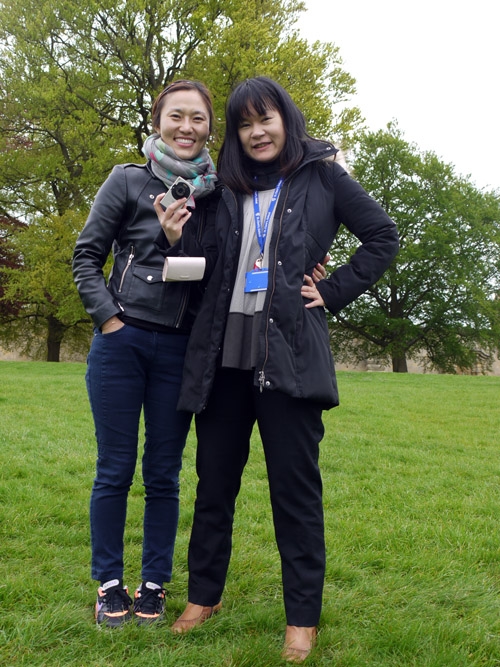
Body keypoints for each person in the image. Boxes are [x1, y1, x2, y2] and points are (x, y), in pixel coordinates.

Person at [166, 77, 399, 662]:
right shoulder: (223, 189)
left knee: (294, 492)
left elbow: (382, 236)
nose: (256, 132)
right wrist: (176, 239)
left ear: (286, 121)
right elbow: (199, 271)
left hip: (290, 358)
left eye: (265, 119)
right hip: (224, 360)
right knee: (214, 484)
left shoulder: (323, 177)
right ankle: (202, 597)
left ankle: (302, 619)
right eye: (244, 125)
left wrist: (333, 290)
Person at [72, 80, 218, 627]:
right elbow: (86, 256)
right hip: (121, 341)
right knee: (114, 467)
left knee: (163, 473)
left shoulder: (215, 195)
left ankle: (154, 582)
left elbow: (215, 273)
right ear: (157, 121)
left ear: (209, 128)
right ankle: (109, 581)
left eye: (198, 118)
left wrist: (177, 240)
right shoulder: (128, 180)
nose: (186, 127)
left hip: (179, 348)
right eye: (176, 116)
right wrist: (109, 320)